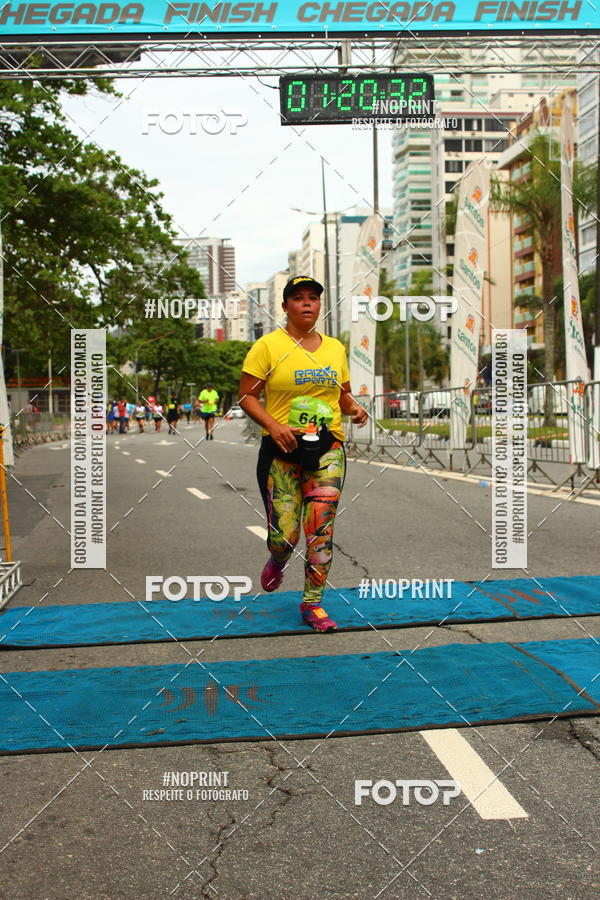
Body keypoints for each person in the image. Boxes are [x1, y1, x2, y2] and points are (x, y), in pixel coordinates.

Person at [238, 275, 368, 633]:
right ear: (285, 307)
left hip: (327, 448)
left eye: (313, 297)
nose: (307, 303)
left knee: (320, 530)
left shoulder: (335, 349)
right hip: (281, 449)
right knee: (285, 538)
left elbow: (341, 395)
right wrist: (274, 425)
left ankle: (313, 604)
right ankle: (277, 559)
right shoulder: (266, 346)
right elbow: (246, 395)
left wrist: (354, 408)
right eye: (298, 298)